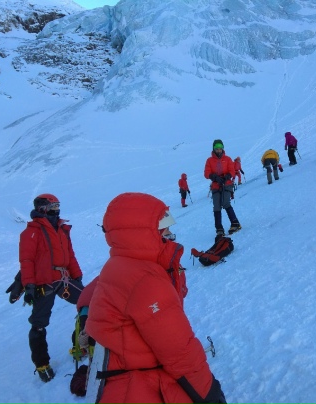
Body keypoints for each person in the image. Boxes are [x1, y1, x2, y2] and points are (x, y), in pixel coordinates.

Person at [86, 192, 225, 404]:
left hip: (120, 382)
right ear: (144, 232)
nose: (170, 234)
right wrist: (210, 393)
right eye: (164, 229)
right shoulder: (146, 280)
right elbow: (179, 351)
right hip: (141, 385)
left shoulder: (119, 265)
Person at [19, 193, 84, 382]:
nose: (57, 209)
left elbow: (70, 255)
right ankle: (42, 365)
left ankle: (80, 345)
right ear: (43, 208)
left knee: (89, 302)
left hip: (63, 279)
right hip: (43, 283)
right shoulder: (32, 231)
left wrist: (77, 275)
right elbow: (26, 260)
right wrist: (29, 285)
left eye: (58, 205)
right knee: (38, 325)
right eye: (53, 206)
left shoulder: (61, 229)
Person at [204, 139, 241, 236]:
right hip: (216, 186)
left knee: (226, 203)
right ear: (214, 149)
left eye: (220, 148)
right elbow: (206, 173)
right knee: (216, 206)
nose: (219, 150)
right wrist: (214, 177)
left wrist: (227, 176)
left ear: (223, 148)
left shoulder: (227, 159)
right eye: (217, 148)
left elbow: (232, 171)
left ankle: (235, 223)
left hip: (227, 184)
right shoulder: (209, 160)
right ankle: (219, 228)